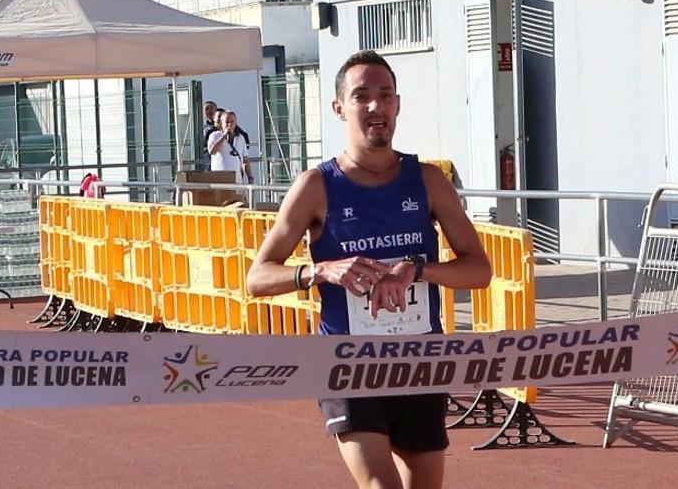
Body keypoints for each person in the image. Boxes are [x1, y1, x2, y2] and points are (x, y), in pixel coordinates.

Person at [246, 51, 491, 489]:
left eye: (385, 96)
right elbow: (257, 277)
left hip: (419, 361)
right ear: (340, 108)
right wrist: (319, 272)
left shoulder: (429, 181)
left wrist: (417, 271)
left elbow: (479, 270)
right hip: (349, 364)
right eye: (362, 97)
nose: (376, 107)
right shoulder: (316, 186)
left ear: (398, 104)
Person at [207, 110, 254, 184]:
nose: (229, 124)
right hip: (219, 180)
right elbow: (212, 151)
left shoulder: (240, 138)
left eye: (232, 122)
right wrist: (224, 136)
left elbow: (245, 160)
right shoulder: (215, 136)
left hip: (236, 180)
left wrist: (250, 177)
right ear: (221, 123)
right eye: (227, 122)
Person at [201, 100, 218, 171]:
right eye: (206, 109)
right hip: (208, 161)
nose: (209, 110)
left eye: (211, 108)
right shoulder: (203, 129)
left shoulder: (224, 126)